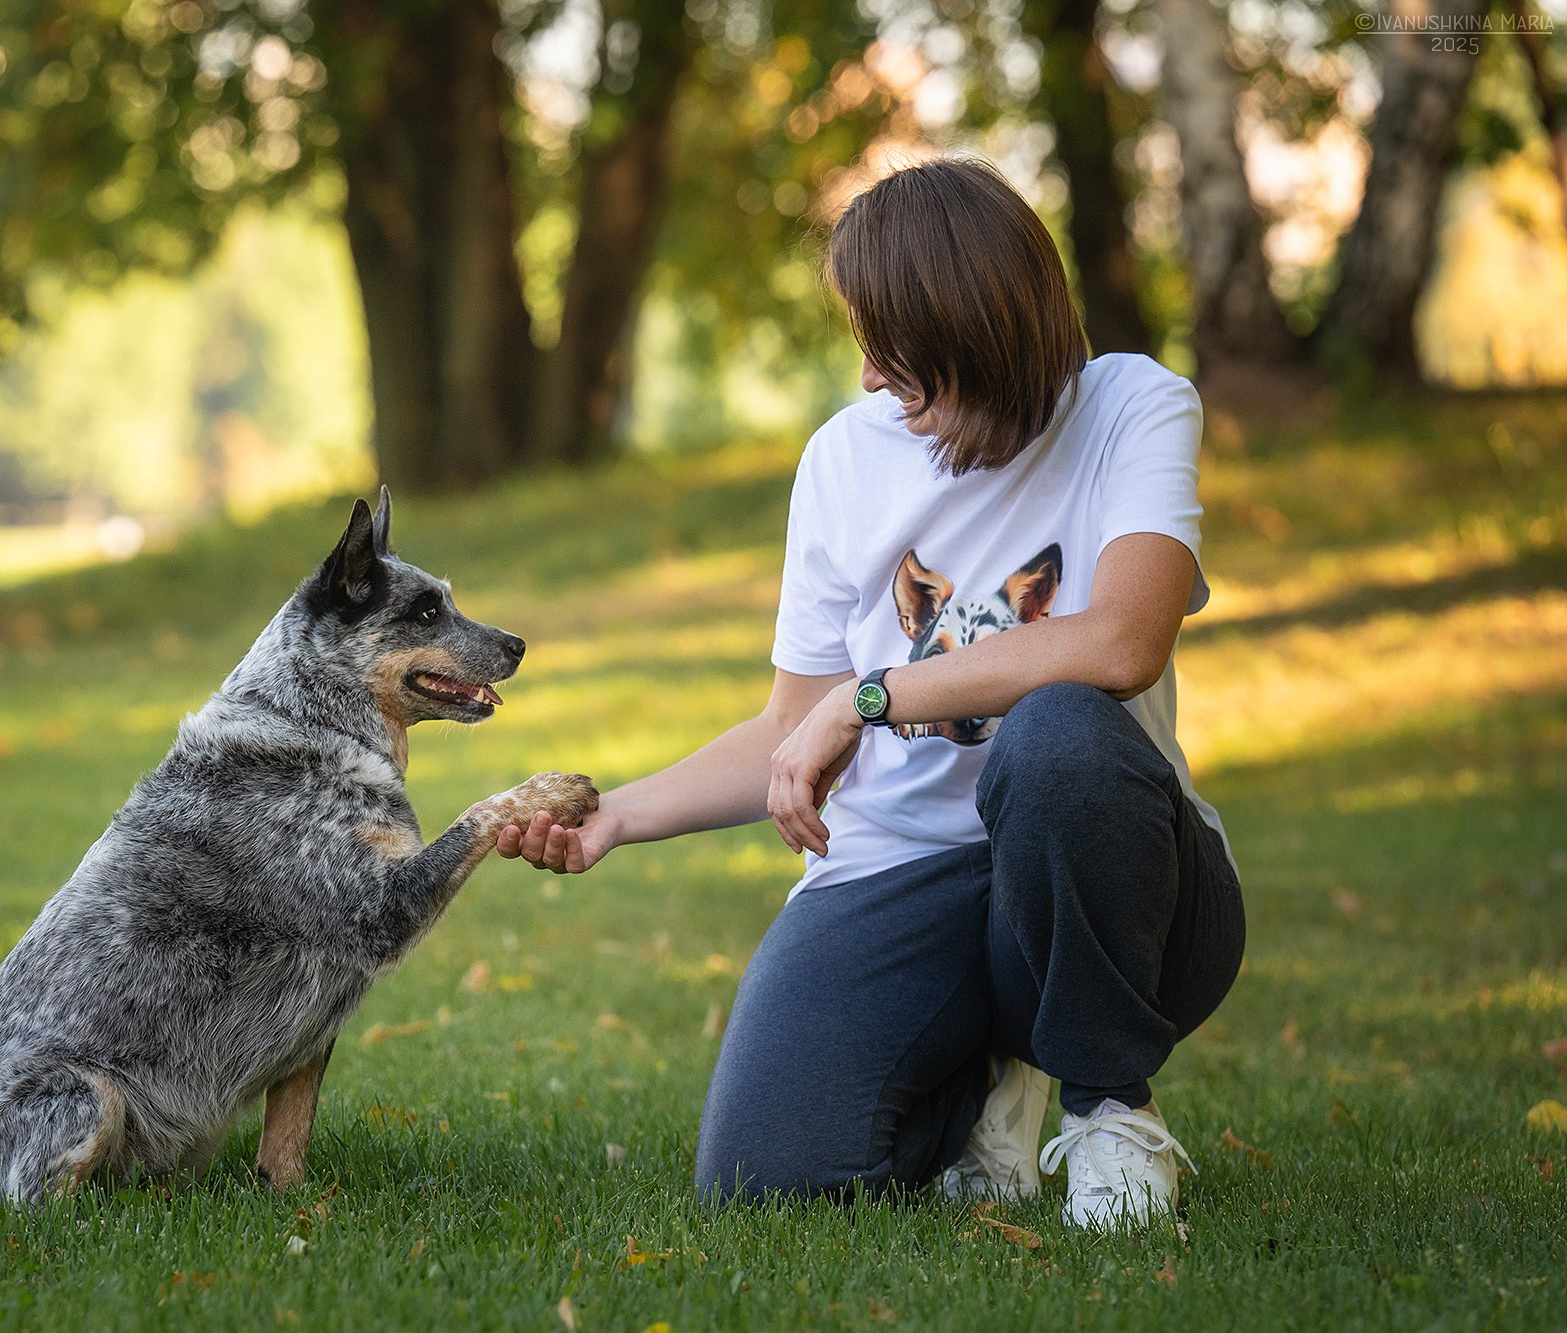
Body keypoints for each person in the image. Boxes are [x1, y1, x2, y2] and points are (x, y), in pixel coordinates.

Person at [493, 157, 1244, 1230]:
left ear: (974, 337)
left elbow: (1121, 640)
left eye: (895, 357)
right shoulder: (844, 460)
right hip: (904, 868)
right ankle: (985, 1086)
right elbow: (781, 728)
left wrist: (868, 696)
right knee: (762, 1176)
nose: (866, 381)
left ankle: (1107, 1106)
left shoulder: (1130, 405)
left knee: (1061, 736)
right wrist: (615, 818)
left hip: (1127, 883)